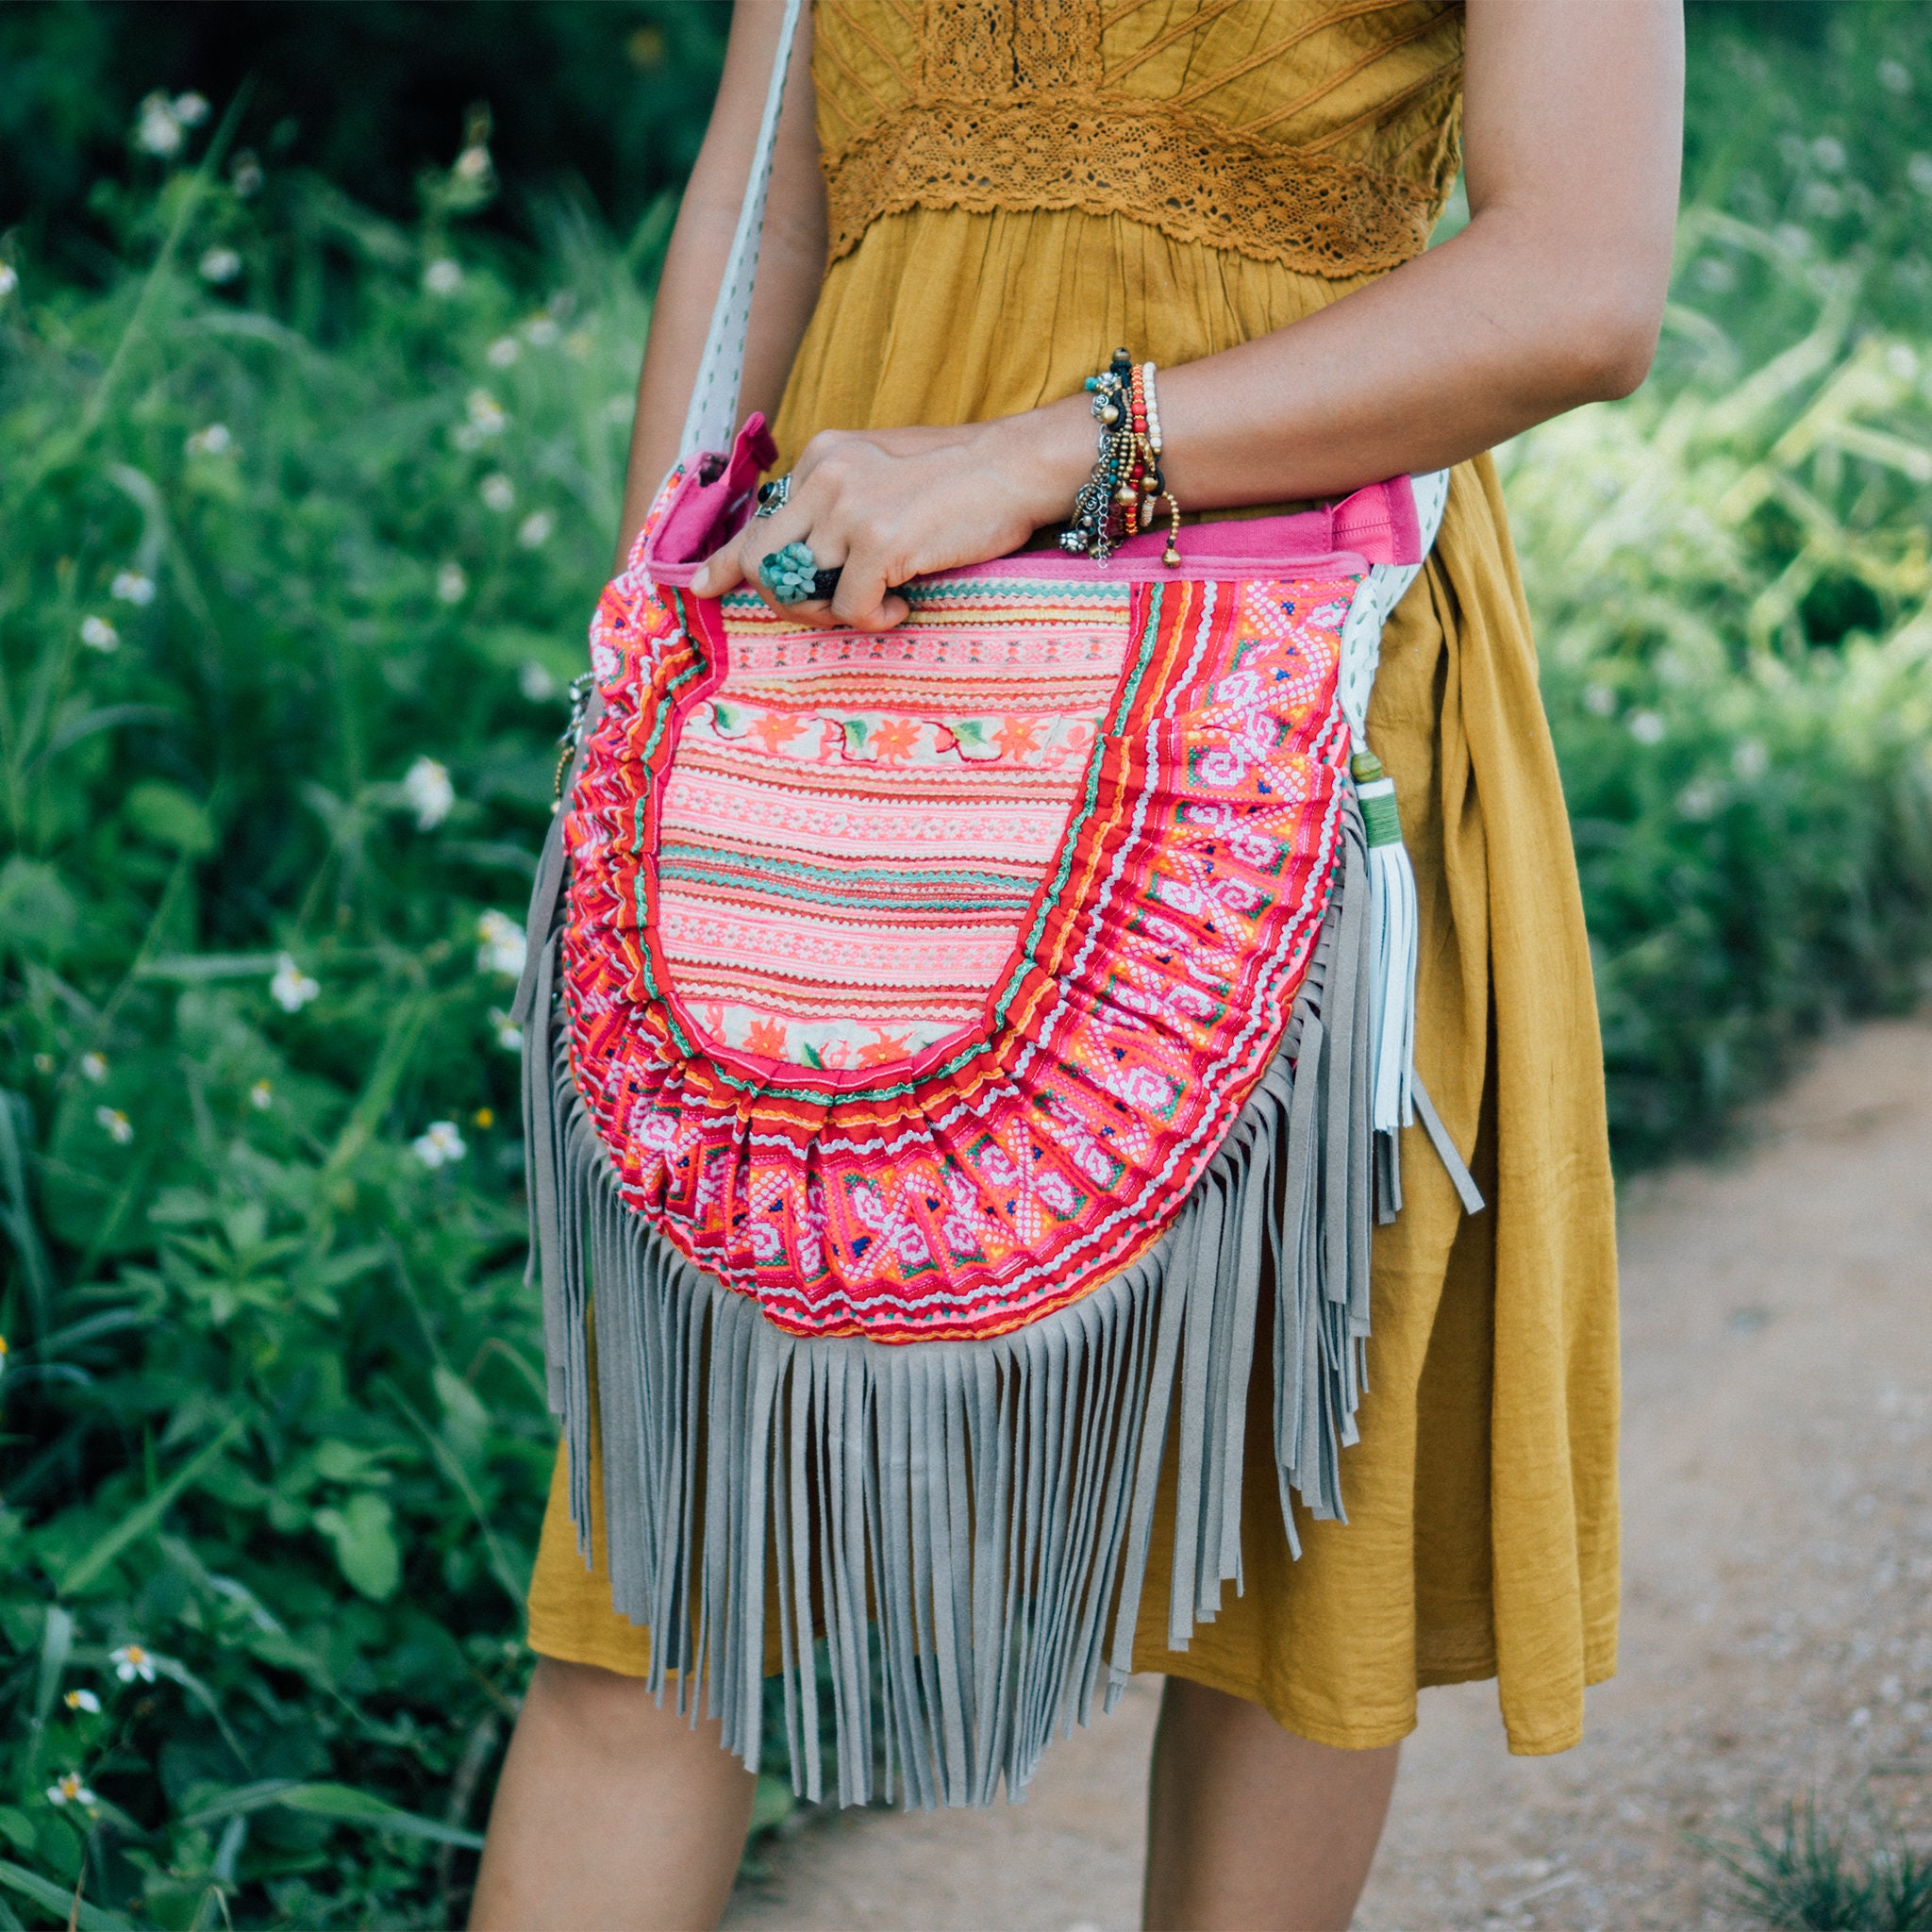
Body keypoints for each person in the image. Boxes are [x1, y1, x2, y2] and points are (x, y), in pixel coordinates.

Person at [471, 3, 1681, 1926]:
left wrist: (1050, 454)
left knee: (1292, 1568)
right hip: (834, 713)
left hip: (1272, 706)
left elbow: (1578, 281)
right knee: (662, 1577)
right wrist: (657, 689)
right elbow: (755, 200)